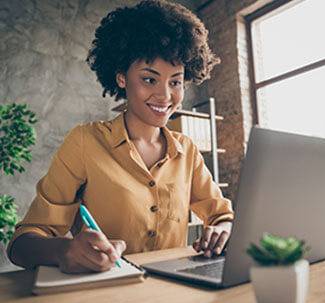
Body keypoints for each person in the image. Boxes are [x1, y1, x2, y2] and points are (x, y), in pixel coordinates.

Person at [7, 0, 234, 274]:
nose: (165, 96)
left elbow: (222, 215)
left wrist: (222, 230)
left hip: (175, 292)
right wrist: (64, 250)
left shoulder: (186, 150)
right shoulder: (84, 143)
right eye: (149, 80)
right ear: (122, 78)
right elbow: (21, 245)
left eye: (175, 81)